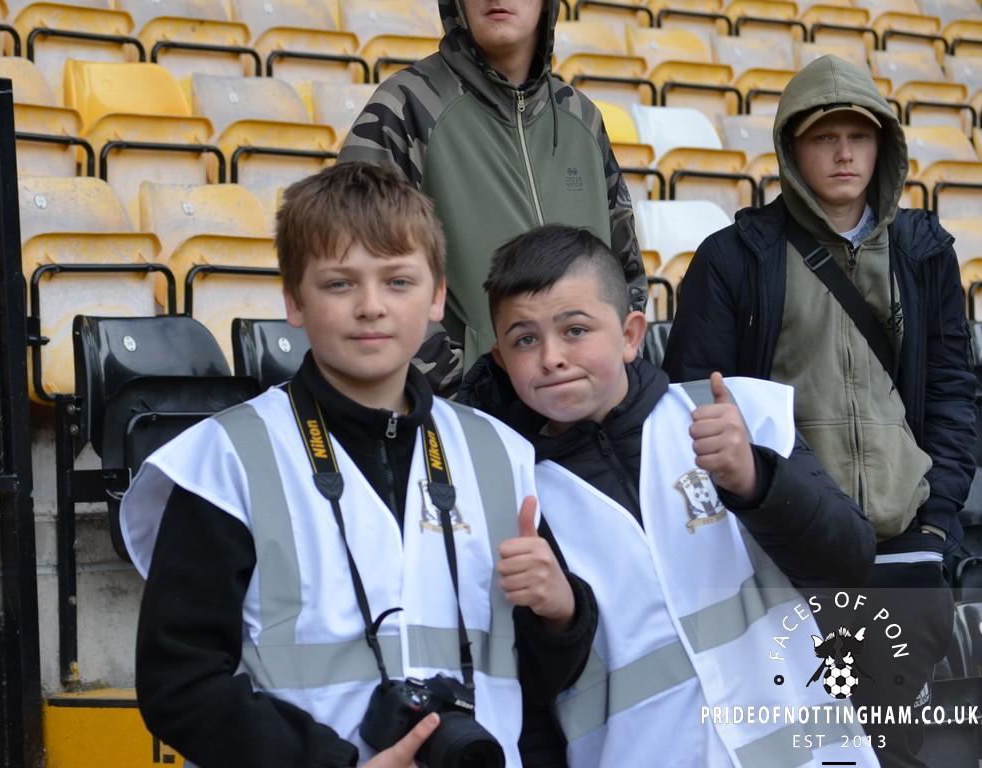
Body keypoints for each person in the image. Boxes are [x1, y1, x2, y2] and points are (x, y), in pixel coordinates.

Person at [120, 163, 597, 768]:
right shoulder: (226, 458)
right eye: (339, 284)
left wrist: (562, 615)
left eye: (398, 281)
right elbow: (180, 684)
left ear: (437, 296)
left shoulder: (499, 453)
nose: (371, 307)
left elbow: (539, 678)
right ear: (294, 300)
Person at [460, 224, 880, 767]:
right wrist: (559, 621)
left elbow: (849, 561)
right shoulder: (513, 493)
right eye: (525, 340)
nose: (552, 357)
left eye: (575, 330)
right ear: (499, 359)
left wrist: (756, 480)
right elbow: (530, 702)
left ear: (631, 335)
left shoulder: (738, 414)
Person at [662, 55, 975, 767]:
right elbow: (694, 402)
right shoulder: (734, 258)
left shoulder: (925, 252)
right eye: (824, 137)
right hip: (789, 553)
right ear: (791, 147)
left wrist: (937, 520)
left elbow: (955, 391)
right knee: (801, 749)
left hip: (905, 544)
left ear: (882, 146)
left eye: (858, 137)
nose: (843, 154)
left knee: (891, 749)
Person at [338, 0, 645, 388]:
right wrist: (464, 389)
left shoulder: (582, 118)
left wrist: (610, 383)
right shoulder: (403, 108)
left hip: (587, 404)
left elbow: (626, 270)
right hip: (462, 412)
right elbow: (357, 265)